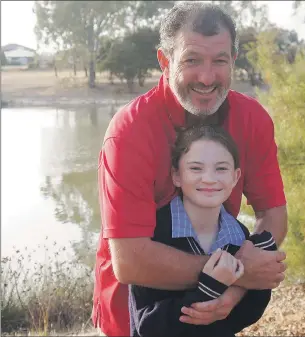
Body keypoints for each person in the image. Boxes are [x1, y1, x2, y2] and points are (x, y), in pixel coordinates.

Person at [93, 2, 288, 336]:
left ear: (233, 61)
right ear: (165, 61)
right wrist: (235, 272)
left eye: (219, 61)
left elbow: (273, 217)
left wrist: (234, 289)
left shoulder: (253, 120)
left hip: (215, 312)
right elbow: (130, 261)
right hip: (135, 318)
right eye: (192, 60)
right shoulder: (129, 131)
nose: (207, 77)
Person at [129, 125, 278, 337]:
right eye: (196, 168)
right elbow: (147, 326)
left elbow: (243, 316)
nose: (209, 178)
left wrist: (259, 282)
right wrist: (208, 290)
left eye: (221, 169)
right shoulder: (154, 233)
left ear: (235, 177)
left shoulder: (239, 236)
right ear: (176, 176)